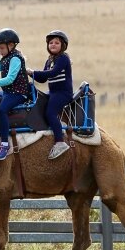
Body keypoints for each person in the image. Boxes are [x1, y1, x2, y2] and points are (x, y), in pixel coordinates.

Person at [27, 29, 74, 160]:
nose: (53, 45)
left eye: (56, 43)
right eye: (51, 42)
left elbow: (53, 73)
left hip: (63, 93)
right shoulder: (49, 60)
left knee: (50, 113)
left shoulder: (63, 58)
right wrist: (31, 76)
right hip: (53, 92)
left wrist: (32, 72)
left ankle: (60, 142)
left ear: (63, 45)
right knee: (39, 103)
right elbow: (43, 79)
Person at [0, 28, 30, 161]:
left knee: (2, 110)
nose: (0, 50)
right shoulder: (6, 57)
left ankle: (5, 143)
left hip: (18, 93)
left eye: (2, 48)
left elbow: (10, 79)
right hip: (8, 92)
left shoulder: (15, 58)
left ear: (11, 45)